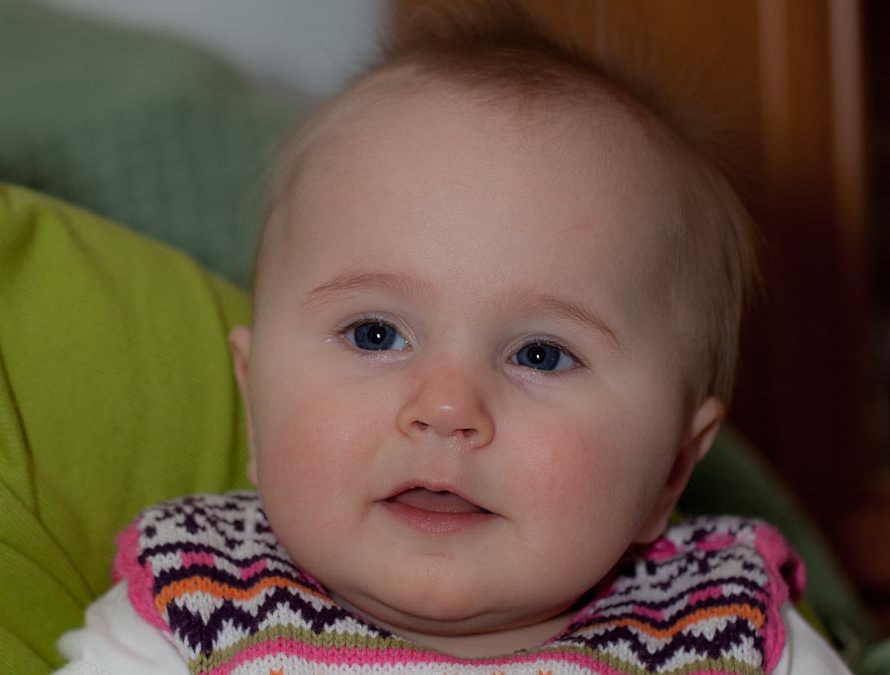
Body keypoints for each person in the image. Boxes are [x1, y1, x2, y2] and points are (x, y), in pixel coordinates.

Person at [54, 12, 852, 675]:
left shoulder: (721, 628)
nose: (445, 406)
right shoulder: (196, 604)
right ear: (253, 401)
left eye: (540, 354)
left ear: (672, 468)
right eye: (375, 333)